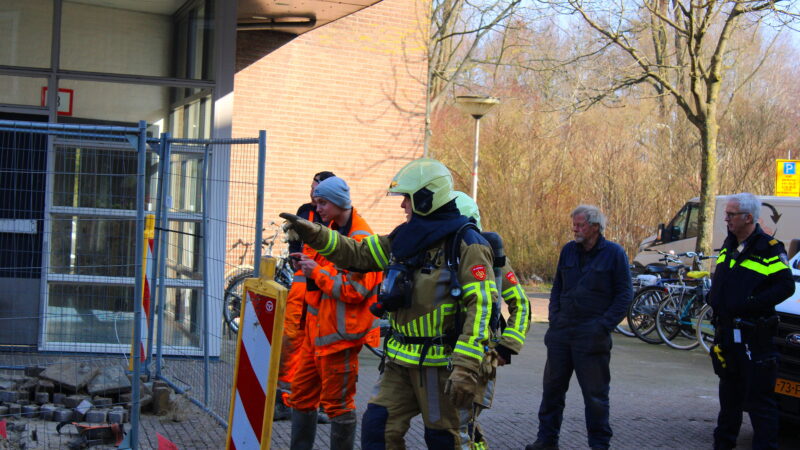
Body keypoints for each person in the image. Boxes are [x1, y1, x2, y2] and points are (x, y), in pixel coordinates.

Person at [281, 158, 496, 449]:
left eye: (406, 198)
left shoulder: (467, 244)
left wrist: (466, 367)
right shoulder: (404, 237)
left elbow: (482, 307)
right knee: (377, 430)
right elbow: (358, 254)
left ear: (425, 197)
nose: (402, 205)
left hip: (439, 366)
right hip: (399, 363)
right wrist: (314, 233)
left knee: (443, 440)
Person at [285, 176, 382, 450]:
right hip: (316, 336)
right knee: (301, 396)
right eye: (316, 201)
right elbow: (324, 274)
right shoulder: (327, 229)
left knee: (338, 406)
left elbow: (354, 291)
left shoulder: (362, 239)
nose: (319, 207)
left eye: (323, 202)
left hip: (340, 339)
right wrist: (305, 262)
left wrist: (315, 271)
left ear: (340, 203)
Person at [528, 205, 632, 450]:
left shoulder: (614, 254)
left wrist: (602, 326)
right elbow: (557, 287)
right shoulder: (568, 251)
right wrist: (555, 318)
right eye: (574, 224)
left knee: (595, 398)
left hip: (592, 337)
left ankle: (599, 445)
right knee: (552, 392)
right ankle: (546, 441)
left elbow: (625, 295)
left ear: (595, 227)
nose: (575, 229)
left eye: (580, 225)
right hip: (561, 335)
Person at [707, 193, 794, 450]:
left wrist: (751, 304)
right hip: (727, 337)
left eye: (731, 214)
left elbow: (785, 286)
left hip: (754, 340)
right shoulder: (730, 244)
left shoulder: (769, 248)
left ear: (748, 217)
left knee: (759, 404)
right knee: (729, 403)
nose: (726, 219)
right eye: (727, 214)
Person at [453, 191, 531, 449]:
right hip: (449, 357)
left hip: (478, 359)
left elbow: (520, 303)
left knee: (461, 426)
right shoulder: (448, 255)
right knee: (458, 424)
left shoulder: (494, 260)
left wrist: (507, 347)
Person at [276, 171, 336, 422]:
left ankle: (317, 402)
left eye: (317, 190)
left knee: (319, 343)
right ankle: (283, 398)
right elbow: (294, 242)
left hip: (323, 287)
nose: (312, 194)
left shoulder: (336, 217)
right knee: (290, 338)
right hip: (303, 286)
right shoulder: (304, 211)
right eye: (312, 189)